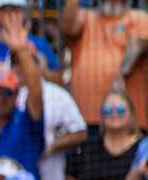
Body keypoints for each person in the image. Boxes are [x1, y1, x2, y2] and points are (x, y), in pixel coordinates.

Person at [0, 15, 45, 180]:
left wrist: (22, 50)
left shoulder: (27, 121)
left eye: (7, 93)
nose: (1, 99)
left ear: (17, 94)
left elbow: (36, 92)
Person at [60, 0, 148, 129]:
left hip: (129, 124)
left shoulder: (139, 18)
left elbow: (138, 45)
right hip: (87, 120)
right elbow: (67, 27)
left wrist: (120, 75)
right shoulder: (85, 17)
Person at [0, 0, 62, 118]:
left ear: (24, 12)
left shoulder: (41, 45)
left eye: (14, 9)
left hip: (36, 113)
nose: (9, 14)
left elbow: (58, 81)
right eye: (4, 9)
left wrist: (40, 70)